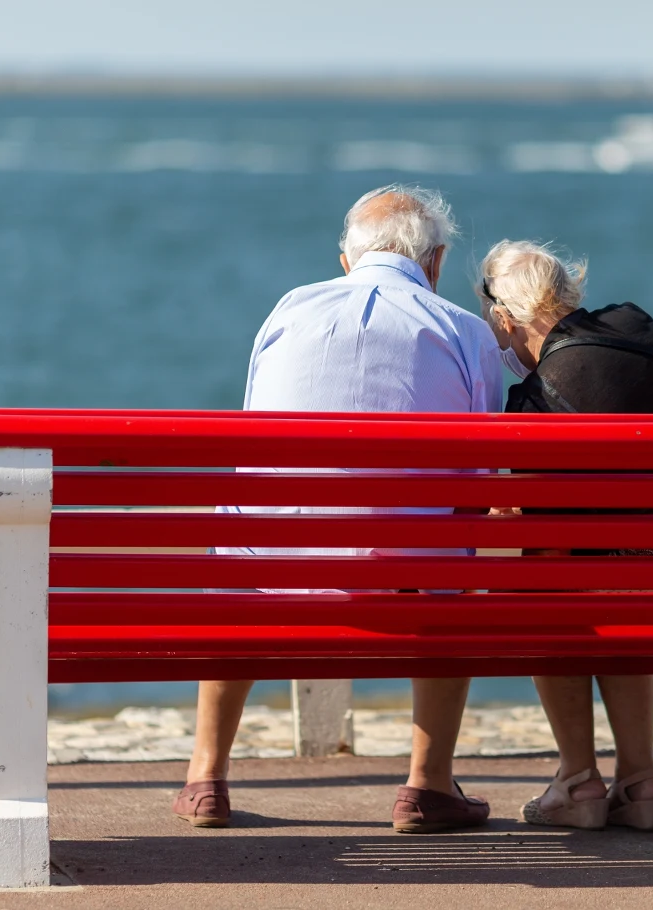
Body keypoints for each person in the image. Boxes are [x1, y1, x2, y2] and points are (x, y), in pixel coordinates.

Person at [173, 186, 503, 833]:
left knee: (236, 543)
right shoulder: (464, 331)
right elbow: (482, 476)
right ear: (434, 263)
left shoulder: (289, 311)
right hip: (408, 581)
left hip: (270, 575)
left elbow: (251, 443)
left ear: (347, 261)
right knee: (454, 554)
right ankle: (428, 786)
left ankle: (206, 776)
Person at [476, 239, 653, 832]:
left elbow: (543, 538)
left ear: (503, 317)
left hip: (631, 585)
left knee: (547, 586)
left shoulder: (530, 404)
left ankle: (578, 780)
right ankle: (640, 777)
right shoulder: (637, 323)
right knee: (616, 579)